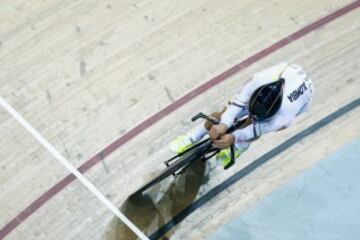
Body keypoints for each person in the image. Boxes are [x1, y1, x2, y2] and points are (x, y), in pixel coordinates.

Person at [170, 62, 314, 169]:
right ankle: (193, 136)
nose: (253, 115)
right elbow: (235, 106)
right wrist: (223, 124)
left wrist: (235, 137)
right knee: (222, 114)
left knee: (253, 127)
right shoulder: (256, 81)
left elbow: (258, 129)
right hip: (286, 71)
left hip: (304, 97)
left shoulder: (284, 117)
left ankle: (241, 147)